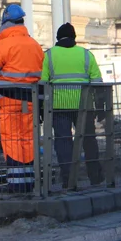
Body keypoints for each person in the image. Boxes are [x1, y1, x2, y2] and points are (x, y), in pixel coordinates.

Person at [0, 4, 42, 192]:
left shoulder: (4, 45)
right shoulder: (34, 45)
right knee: (28, 138)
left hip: (8, 101)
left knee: (12, 138)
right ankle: (29, 182)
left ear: (5, 23)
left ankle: (16, 184)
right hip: (30, 100)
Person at [42, 22, 104, 187]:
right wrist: (101, 107)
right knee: (89, 141)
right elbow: (98, 82)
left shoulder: (49, 55)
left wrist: (43, 110)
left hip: (59, 106)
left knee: (63, 143)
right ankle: (95, 177)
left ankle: (68, 179)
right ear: (74, 37)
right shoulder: (86, 55)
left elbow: (43, 84)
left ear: (58, 38)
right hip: (84, 107)